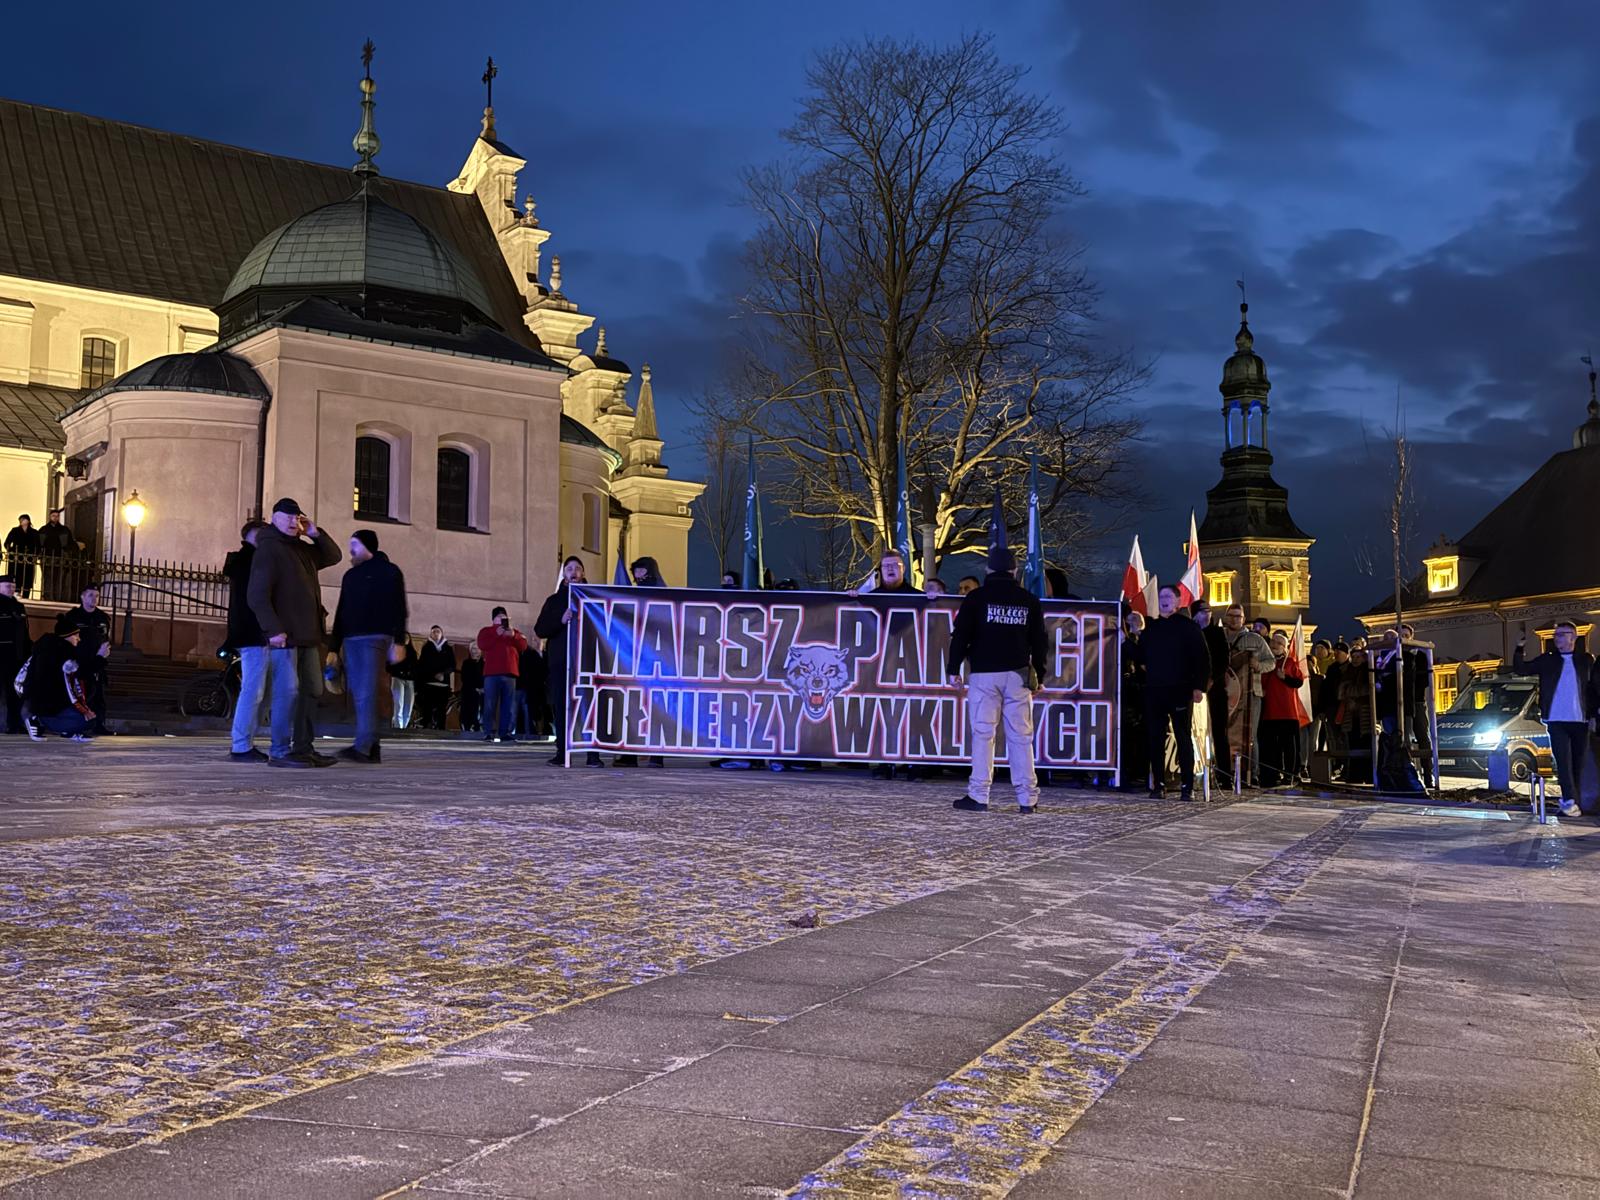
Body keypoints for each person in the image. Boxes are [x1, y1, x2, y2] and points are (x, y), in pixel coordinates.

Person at [948, 545, 1047, 814]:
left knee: (983, 735)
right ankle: (1028, 799)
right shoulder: (1028, 600)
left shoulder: (976, 598)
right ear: (1015, 570)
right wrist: (1040, 675)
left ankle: (979, 795)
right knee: (1021, 737)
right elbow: (1039, 641)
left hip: (984, 674)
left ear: (988, 569)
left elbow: (961, 635)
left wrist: (953, 669)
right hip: (1018, 675)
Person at [247, 497, 342, 768]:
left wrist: (315, 533)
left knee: (312, 689)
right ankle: (279, 751)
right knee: (287, 691)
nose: (293, 521)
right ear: (274, 519)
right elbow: (257, 595)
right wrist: (273, 629)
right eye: (288, 517)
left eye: (297, 517)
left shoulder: (302, 549)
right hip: (285, 637)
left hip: (309, 634)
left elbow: (333, 556)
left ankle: (303, 748)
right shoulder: (269, 549)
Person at [330, 528, 408, 763]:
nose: (351, 550)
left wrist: (399, 641)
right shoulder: (351, 576)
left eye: (355, 545)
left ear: (367, 546)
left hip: (372, 638)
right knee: (361, 690)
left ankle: (363, 747)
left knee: (364, 691)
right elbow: (341, 611)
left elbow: (399, 608)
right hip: (353, 639)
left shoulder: (389, 572)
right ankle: (371, 746)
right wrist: (333, 647)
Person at [1512, 621, 1599, 818]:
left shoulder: (1585, 660)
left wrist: (1593, 714)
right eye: (1555, 634)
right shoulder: (1548, 660)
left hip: (1580, 721)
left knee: (1578, 764)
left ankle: (1575, 804)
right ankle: (1569, 800)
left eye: (1561, 634)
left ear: (1573, 637)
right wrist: (1519, 647)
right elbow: (1521, 669)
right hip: (1556, 720)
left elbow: (1593, 688)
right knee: (1563, 762)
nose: (1556, 638)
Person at [1131, 585, 1210, 800]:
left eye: (1168, 596)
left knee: (1183, 737)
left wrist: (1198, 687)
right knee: (1155, 738)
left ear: (1177, 601)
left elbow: (1202, 659)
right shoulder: (1152, 628)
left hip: (1180, 690)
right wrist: (1125, 639)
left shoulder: (1188, 627)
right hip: (1155, 691)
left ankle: (1187, 786)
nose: (1164, 600)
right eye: (1161, 596)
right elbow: (1141, 657)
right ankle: (1159, 784)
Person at [851, 549, 920, 780]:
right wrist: (852, 600)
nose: (890, 569)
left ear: (903, 569)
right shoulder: (871, 598)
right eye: (886, 565)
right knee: (882, 714)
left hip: (910, 667)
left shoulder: (918, 598)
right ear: (880, 570)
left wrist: (935, 600)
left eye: (895, 565)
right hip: (879, 668)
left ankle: (914, 763)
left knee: (912, 714)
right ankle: (885, 761)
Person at [535, 556, 603, 766]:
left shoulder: (593, 598)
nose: (574, 572)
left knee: (588, 707)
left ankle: (593, 754)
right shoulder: (554, 601)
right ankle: (562, 752)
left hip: (586, 662)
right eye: (569, 568)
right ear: (564, 574)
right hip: (560, 663)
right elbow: (540, 629)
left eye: (578, 568)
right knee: (562, 707)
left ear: (583, 573)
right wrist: (561, 620)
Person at [223, 520, 271, 761]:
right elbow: (256, 601)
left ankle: (244, 741)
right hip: (254, 633)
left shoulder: (243, 562)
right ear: (254, 536)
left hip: (248, 633)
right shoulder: (251, 562)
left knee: (256, 690)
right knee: (253, 690)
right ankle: (241, 744)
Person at [616, 557, 668, 766]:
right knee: (634, 707)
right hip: (636, 659)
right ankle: (632, 755)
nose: (638, 575)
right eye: (635, 571)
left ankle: (655, 755)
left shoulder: (660, 594)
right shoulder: (635, 594)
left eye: (641, 570)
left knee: (654, 708)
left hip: (655, 660)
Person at [21, 613, 98, 740]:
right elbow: (75, 679)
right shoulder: (60, 654)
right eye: (76, 635)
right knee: (85, 720)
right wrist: (100, 658)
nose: (79, 639)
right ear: (68, 636)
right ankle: (38, 720)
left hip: (55, 705)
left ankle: (66, 729)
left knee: (89, 718)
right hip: (48, 707)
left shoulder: (55, 651)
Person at [1223, 604, 1274, 785]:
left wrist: (1258, 666)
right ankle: (1227, 771)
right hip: (1226, 693)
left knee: (1249, 734)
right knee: (1226, 733)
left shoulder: (1255, 639)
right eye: (1231, 616)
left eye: (1238, 616)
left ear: (1243, 619)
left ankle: (1252, 773)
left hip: (1251, 694)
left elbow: (1271, 662)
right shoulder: (1220, 637)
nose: (1234, 619)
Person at [62, 582, 113, 734]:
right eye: (90, 595)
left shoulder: (103, 617)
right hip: (80, 662)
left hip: (97, 661)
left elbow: (106, 637)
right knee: (79, 695)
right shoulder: (72, 617)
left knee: (98, 696)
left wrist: (105, 651)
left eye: (97, 596)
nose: (94, 599)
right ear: (82, 597)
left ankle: (98, 725)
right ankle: (75, 725)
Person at [1259, 631, 1306, 787]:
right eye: (1273, 642)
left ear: (1285, 648)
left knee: (1289, 747)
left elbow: (1299, 682)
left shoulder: (1290, 662)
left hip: (1287, 712)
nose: (1275, 645)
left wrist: (1285, 677)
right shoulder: (1266, 662)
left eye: (1279, 643)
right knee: (1271, 747)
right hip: (1270, 712)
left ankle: (1290, 774)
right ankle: (1271, 774)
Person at [1194, 601, 1232, 787]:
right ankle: (1196, 773)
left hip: (1215, 688)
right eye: (1203, 611)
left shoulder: (1217, 633)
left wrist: (1212, 679)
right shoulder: (1192, 632)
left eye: (1209, 611)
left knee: (1220, 732)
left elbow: (1224, 660)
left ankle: (1225, 776)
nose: (1207, 614)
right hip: (1195, 689)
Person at [476, 605, 527, 743]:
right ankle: (488, 732)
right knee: (489, 704)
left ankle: (505, 733)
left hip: (510, 672)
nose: (502, 619)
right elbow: (482, 645)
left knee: (508, 705)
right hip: (491, 673)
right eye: (499, 617)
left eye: (504, 617)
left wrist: (514, 635)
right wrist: (496, 634)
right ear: (493, 619)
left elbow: (523, 646)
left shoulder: (513, 632)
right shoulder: (486, 631)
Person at [1119, 608, 1148, 791]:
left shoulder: (1141, 640)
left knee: (1136, 735)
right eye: (1129, 621)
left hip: (1137, 693)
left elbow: (1141, 659)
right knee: (1127, 735)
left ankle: (1137, 771)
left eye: (1135, 620)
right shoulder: (1124, 640)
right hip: (1126, 692)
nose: (1132, 624)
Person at [0, 573, 30, 734]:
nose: (11, 589)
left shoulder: (19, 607)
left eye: (13, 586)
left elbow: (24, 632)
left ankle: (14, 724)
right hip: (1, 655)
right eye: (7, 586)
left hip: (16, 656)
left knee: (15, 693)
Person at [416, 626, 456, 730]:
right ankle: (426, 730)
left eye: (438, 631)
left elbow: (452, 665)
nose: (435, 633)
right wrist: (433, 675)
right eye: (433, 632)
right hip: (429, 684)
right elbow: (422, 665)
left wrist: (443, 673)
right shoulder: (426, 648)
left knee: (441, 710)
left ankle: (440, 731)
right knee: (427, 709)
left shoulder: (448, 648)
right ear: (431, 634)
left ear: (442, 634)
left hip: (443, 685)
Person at [38, 509, 75, 601]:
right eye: (53, 516)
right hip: (47, 557)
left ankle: (58, 597)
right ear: (50, 517)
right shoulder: (44, 530)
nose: (55, 518)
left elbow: (70, 543)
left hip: (60, 557)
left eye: (57, 516)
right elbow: (39, 543)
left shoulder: (64, 530)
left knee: (60, 578)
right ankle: (48, 597)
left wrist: (68, 554)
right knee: (48, 578)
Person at [4, 514, 40, 599]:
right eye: (21, 520)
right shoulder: (15, 530)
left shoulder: (34, 532)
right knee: (16, 578)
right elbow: (7, 543)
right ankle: (15, 597)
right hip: (16, 559)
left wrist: (35, 555)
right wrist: (12, 552)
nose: (22, 521)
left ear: (28, 521)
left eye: (24, 519)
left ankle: (26, 597)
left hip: (29, 559)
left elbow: (38, 546)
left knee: (27, 579)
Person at [388, 636, 418, 731]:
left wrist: (412, 674)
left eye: (407, 637)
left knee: (408, 706)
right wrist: (398, 671)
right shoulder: (395, 650)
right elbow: (388, 665)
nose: (405, 639)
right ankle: (398, 728)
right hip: (398, 679)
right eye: (404, 637)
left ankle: (404, 728)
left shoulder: (412, 652)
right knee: (399, 704)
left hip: (410, 680)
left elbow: (416, 667)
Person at [459, 642, 484, 733]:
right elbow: (465, 678)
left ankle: (479, 727)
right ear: (470, 651)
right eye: (473, 648)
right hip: (469, 691)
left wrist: (482, 688)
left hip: (482, 691)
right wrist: (475, 688)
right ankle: (467, 727)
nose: (475, 651)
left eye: (477, 649)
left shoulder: (484, 663)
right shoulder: (466, 663)